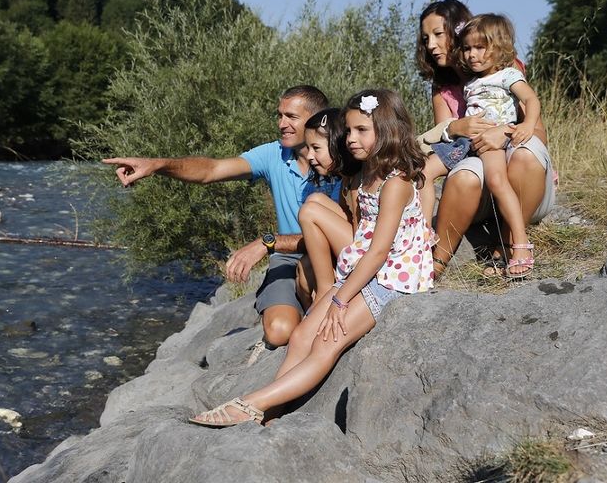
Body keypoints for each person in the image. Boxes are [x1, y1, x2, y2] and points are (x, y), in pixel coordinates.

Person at [188, 89, 435, 427]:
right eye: (348, 130)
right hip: (362, 272)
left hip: (392, 280)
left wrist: (341, 299)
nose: (350, 139)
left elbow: (379, 251)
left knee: (325, 345)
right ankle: (271, 414)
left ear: (388, 130)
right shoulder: (364, 175)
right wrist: (338, 292)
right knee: (303, 335)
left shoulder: (396, 182)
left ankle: (250, 404)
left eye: (362, 130)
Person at [102, 85, 338, 348]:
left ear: (317, 118)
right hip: (288, 256)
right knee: (279, 333)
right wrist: (156, 165)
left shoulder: (342, 164)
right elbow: (210, 170)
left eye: (291, 117)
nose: (282, 123)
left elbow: (339, 237)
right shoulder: (274, 154)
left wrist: (267, 242)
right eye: (279, 115)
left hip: (331, 256)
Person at [416, 0, 555, 279]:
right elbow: (447, 141)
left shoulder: (504, 70)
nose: (431, 45)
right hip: (474, 162)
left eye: (438, 34)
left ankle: (511, 243)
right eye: (425, 38)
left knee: (523, 154)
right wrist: (456, 126)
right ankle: (431, 257)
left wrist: (502, 130)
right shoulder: (445, 86)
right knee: (456, 172)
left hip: (516, 167)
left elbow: (536, 131)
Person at [296, 108, 361, 306]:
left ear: (336, 144)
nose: (309, 156)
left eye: (316, 148)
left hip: (366, 250)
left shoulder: (356, 183)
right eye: (308, 148)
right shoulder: (345, 180)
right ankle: (322, 288)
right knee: (315, 200)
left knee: (309, 211)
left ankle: (325, 289)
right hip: (358, 241)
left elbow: (361, 235)